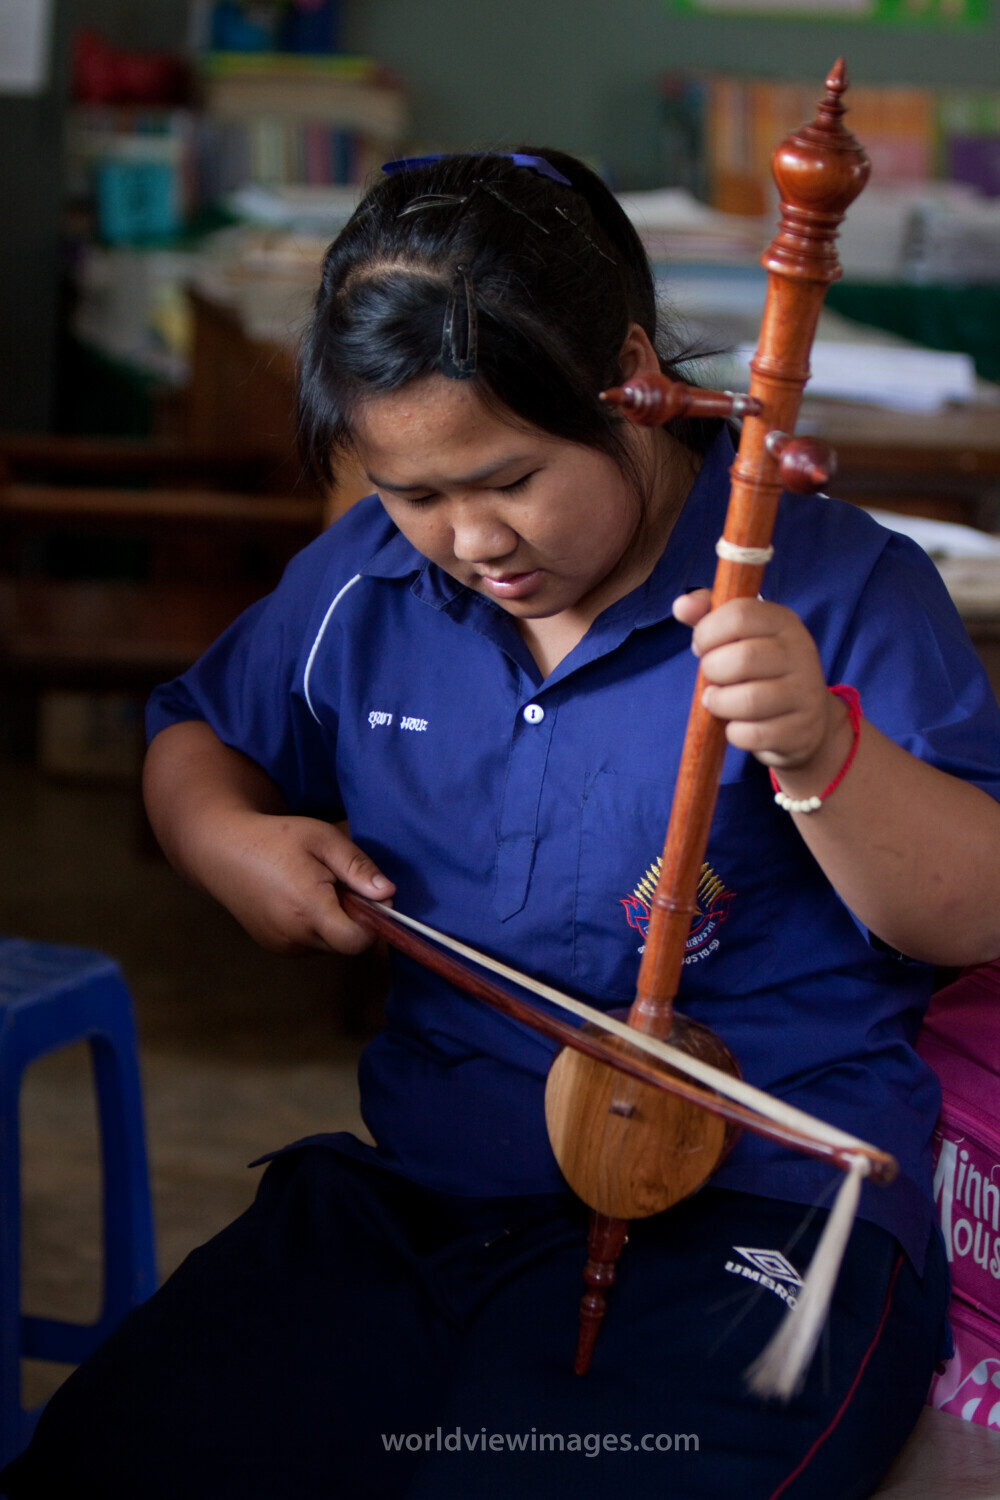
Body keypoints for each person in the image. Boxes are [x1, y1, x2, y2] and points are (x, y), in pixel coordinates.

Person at [5, 148, 1000, 1500]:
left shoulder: (840, 587)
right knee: (121, 1465)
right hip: (432, 1190)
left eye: (511, 476)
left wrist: (821, 747)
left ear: (637, 379)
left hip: (757, 1213)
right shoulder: (367, 586)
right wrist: (224, 842)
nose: (471, 536)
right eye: (414, 495)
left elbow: (970, 908)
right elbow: (199, 733)